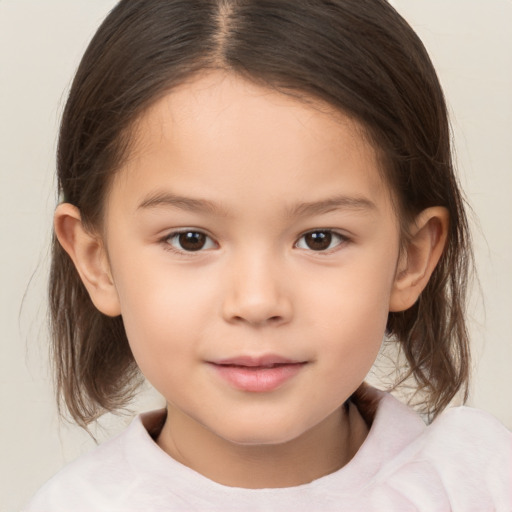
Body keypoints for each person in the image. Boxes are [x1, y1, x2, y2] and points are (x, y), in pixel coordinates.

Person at [25, 0, 511, 510]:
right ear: (96, 260)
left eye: (320, 238)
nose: (257, 302)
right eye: (190, 239)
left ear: (410, 258)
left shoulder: (483, 484)